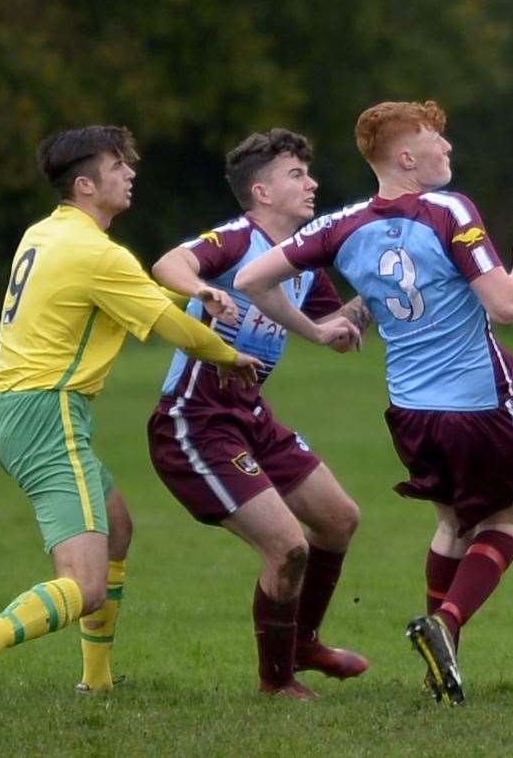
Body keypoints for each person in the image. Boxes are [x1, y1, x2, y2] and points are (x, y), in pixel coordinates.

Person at [234, 101, 513, 706]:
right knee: (510, 519)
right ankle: (448, 625)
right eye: (437, 140)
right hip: (479, 405)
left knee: (452, 523)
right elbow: (505, 305)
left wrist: (315, 330)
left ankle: (444, 664)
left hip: (409, 413)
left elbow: (251, 281)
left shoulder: (344, 224)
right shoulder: (450, 210)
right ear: (407, 158)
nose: (447, 150)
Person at [0, 126, 260, 695]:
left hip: (19, 410)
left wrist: (199, 293)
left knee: (117, 529)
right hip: (49, 413)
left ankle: (98, 682)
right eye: (116, 166)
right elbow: (172, 330)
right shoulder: (94, 252)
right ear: (85, 185)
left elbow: (133, 292)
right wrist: (231, 357)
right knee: (84, 584)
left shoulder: (46, 234)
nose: (130, 173)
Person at [149, 129, 368, 699]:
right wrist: (206, 291)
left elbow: (335, 333)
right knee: (288, 546)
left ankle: (305, 642)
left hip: (250, 416)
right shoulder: (236, 240)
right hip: (194, 423)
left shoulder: (301, 265)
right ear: (261, 192)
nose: (312, 183)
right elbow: (168, 264)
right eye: (297, 175)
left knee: (339, 518)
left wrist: (384, 290)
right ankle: (278, 683)